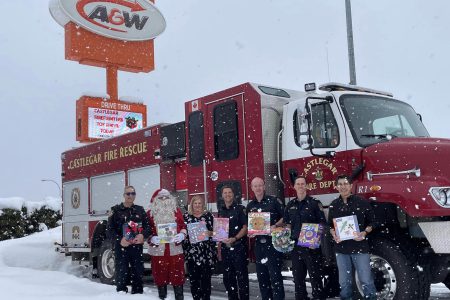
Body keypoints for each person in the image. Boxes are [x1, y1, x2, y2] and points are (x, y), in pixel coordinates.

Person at [328, 175, 377, 300]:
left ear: (351, 186)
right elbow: (330, 226)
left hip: (360, 247)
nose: (343, 186)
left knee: (366, 280)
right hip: (341, 249)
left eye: (345, 184)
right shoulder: (333, 205)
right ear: (336, 187)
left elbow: (373, 222)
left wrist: (364, 233)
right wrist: (333, 233)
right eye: (340, 184)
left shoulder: (362, 202)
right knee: (344, 283)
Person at [284, 176, 326, 300]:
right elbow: (287, 224)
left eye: (303, 184)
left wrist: (315, 239)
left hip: (311, 246)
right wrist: (282, 234)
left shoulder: (314, 203)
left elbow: (322, 223)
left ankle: (318, 297)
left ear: (306, 186)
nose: (301, 186)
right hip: (296, 246)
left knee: (315, 276)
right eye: (298, 184)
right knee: (298, 277)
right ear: (294, 187)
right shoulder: (290, 205)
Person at [107, 185, 151, 294]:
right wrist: (119, 240)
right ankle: (121, 294)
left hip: (136, 247)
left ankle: (137, 294)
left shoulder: (140, 210)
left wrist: (142, 236)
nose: (130, 196)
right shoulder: (115, 210)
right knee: (122, 274)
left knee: (138, 273)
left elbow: (148, 227)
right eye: (128, 193)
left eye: (133, 193)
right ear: (123, 195)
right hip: (122, 247)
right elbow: (109, 230)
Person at [246, 177, 285, 300]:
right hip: (259, 245)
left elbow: (286, 216)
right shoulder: (250, 205)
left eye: (260, 185)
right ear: (252, 188)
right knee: (262, 278)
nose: (258, 188)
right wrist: (250, 232)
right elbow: (249, 225)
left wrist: (276, 225)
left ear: (264, 186)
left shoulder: (274, 201)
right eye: (255, 186)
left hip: (273, 243)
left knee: (275, 277)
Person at [147, 189, 188, 300]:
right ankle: (162, 297)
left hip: (175, 250)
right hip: (158, 252)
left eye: (166, 197)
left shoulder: (176, 211)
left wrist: (182, 235)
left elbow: (183, 226)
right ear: (155, 200)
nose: (164, 199)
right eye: (161, 197)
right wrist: (151, 238)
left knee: (177, 278)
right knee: (160, 279)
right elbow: (145, 231)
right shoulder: (150, 213)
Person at [218, 185, 249, 300]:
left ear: (233, 194)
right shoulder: (221, 210)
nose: (227, 195)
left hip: (238, 248)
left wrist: (235, 238)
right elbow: (219, 230)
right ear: (222, 196)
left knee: (242, 279)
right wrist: (219, 237)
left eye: (229, 192)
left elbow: (245, 227)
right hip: (226, 249)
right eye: (225, 193)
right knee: (228, 279)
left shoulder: (240, 209)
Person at [183, 195, 216, 300]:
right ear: (191, 205)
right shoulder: (186, 217)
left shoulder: (209, 216)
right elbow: (182, 234)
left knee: (206, 281)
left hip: (206, 254)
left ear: (203, 205)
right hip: (192, 255)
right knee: (194, 281)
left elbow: (218, 233)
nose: (197, 205)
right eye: (195, 203)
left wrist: (210, 233)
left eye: (199, 203)